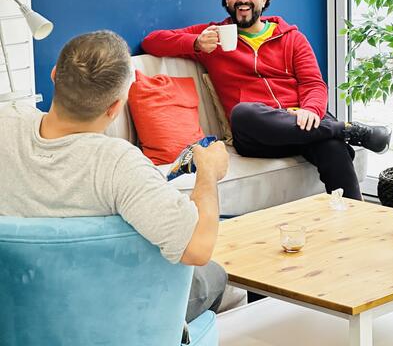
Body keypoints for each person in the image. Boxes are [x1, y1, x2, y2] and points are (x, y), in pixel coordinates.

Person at [0, 30, 228, 324]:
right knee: (212, 275)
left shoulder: (6, 122)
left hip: (16, 306)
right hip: (100, 313)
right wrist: (208, 171)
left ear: (55, 75)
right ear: (116, 107)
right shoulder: (119, 165)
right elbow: (197, 248)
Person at [141, 0, 391, 201]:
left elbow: (313, 83)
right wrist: (195, 42)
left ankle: (356, 218)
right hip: (258, 136)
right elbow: (152, 41)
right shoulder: (213, 37)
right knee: (242, 113)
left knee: (332, 147)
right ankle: (347, 130)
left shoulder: (292, 38)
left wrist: (311, 110)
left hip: (301, 126)